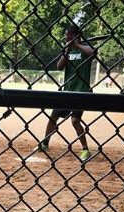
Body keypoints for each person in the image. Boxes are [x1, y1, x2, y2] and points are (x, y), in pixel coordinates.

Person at [39, 24, 95, 162]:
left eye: (67, 35)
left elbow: (93, 52)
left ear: (75, 35)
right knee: (53, 115)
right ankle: (45, 143)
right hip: (67, 90)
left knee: (75, 121)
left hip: (81, 91)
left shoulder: (84, 48)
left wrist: (78, 45)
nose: (65, 37)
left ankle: (85, 150)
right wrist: (67, 50)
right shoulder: (68, 50)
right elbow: (59, 66)